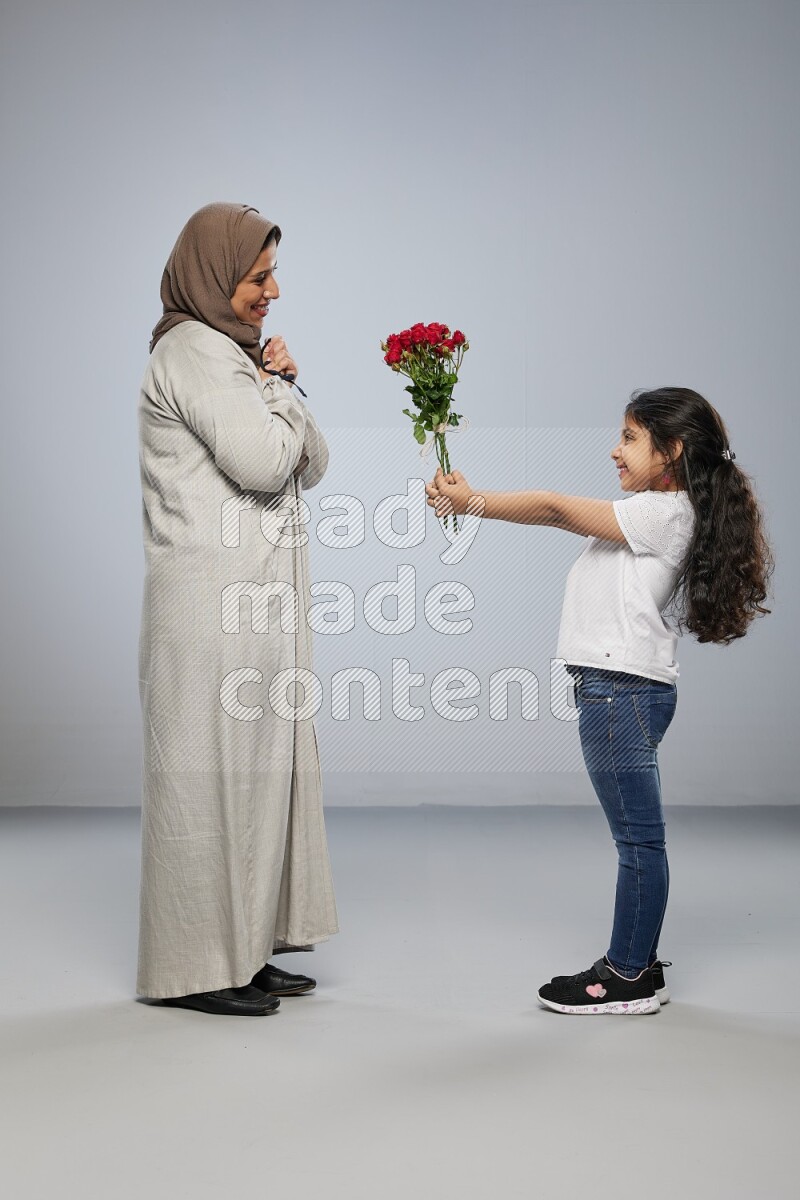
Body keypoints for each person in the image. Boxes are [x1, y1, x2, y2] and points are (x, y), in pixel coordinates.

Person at [426, 388, 774, 1015]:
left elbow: (557, 509)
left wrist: (471, 502)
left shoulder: (664, 513)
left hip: (621, 692)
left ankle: (629, 974)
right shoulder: (652, 507)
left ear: (670, 452)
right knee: (639, 839)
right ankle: (635, 964)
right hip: (618, 689)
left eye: (630, 438)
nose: (615, 450)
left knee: (639, 842)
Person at [136, 201, 338, 1017]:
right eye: (259, 277)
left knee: (257, 777)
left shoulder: (234, 357)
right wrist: (280, 390)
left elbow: (314, 461)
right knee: (206, 781)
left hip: (250, 607)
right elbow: (263, 462)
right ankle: (194, 969)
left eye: (271, 275)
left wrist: (282, 384)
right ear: (217, 278)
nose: (273, 291)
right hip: (207, 610)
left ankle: (246, 950)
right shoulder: (194, 353)